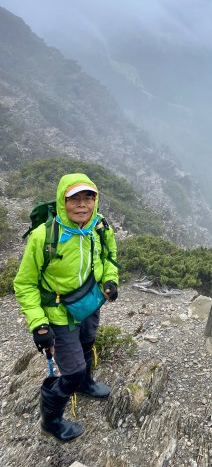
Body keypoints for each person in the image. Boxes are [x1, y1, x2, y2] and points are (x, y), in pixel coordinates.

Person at [14, 173, 119, 442]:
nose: (82, 205)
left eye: (88, 198)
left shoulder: (99, 227)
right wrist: (39, 324)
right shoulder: (44, 236)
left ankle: (85, 384)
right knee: (70, 372)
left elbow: (109, 257)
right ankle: (51, 421)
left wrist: (110, 279)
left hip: (89, 303)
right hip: (59, 313)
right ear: (63, 201)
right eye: (75, 198)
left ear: (95, 200)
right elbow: (24, 284)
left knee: (87, 342)